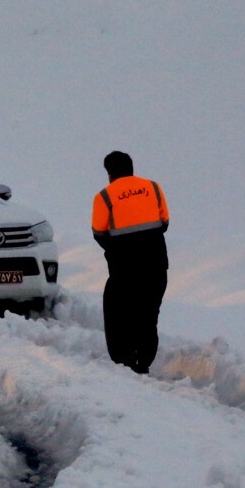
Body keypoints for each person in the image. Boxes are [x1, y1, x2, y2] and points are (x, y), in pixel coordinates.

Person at [91, 151, 170, 374]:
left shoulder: (104, 197)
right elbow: (164, 223)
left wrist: (120, 249)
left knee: (118, 311)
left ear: (109, 173)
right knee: (148, 313)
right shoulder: (154, 188)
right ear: (131, 168)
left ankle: (124, 360)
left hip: (124, 269)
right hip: (156, 265)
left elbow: (99, 233)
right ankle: (144, 360)